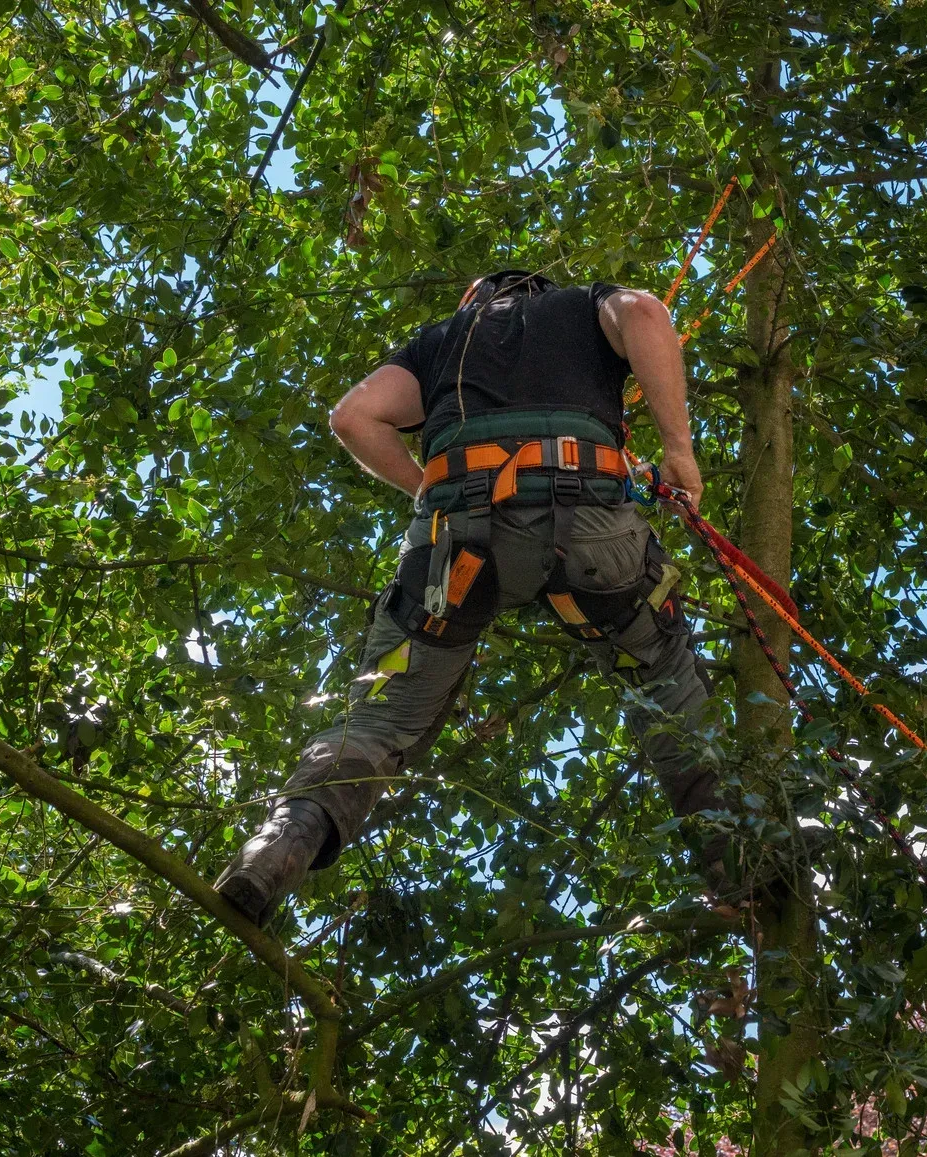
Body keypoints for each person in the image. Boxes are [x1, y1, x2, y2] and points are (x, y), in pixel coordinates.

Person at [214, 269, 729, 925]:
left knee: (377, 720)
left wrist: (436, 493)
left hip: (454, 542)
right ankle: (741, 857)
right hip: (591, 526)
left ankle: (280, 843)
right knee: (665, 677)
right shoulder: (582, 306)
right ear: (538, 292)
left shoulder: (440, 343)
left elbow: (352, 418)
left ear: (475, 302)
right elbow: (647, 315)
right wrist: (679, 452)